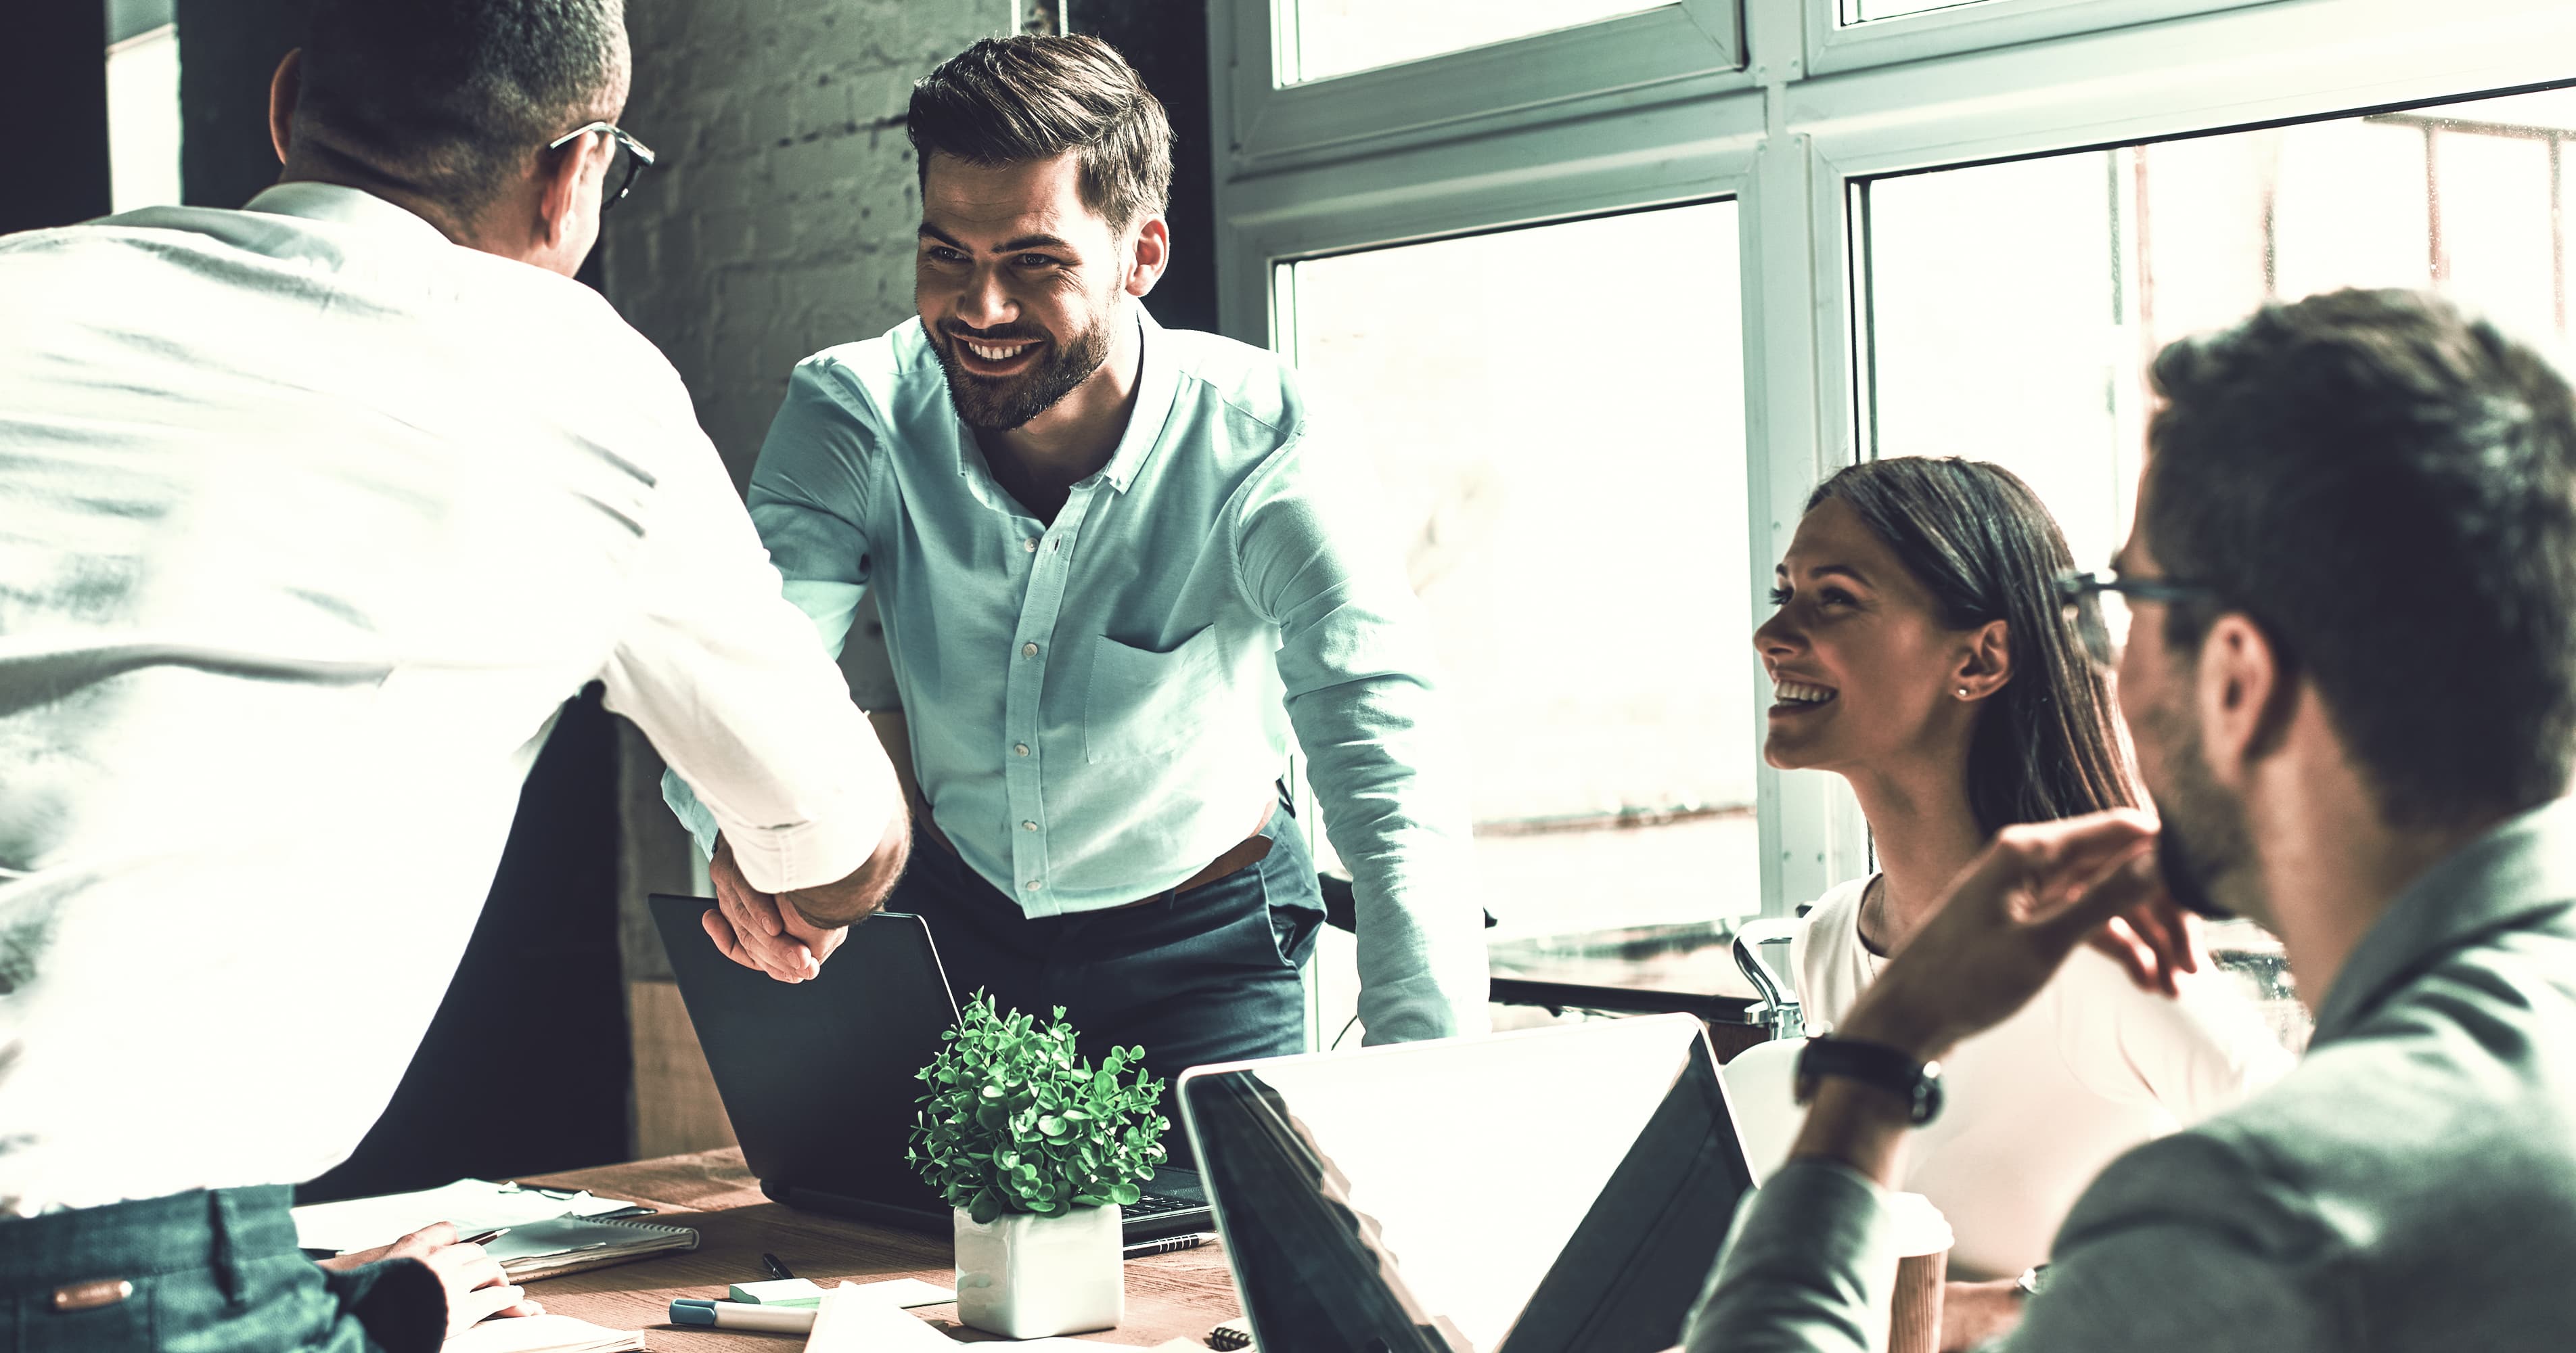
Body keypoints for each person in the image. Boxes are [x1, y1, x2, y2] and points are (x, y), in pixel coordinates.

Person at [0, 1, 907, 1348]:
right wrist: (802, 843)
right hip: (103, 1284)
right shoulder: (566, 378)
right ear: (573, 173)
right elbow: (835, 853)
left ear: (286, 105)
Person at [1688, 287, 2576, 1351]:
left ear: (2237, 677)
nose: (2104, 656)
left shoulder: (2259, 1220)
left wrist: (1877, 1060)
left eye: (2129, 600)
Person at [662, 35, 1487, 1088]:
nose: (980, 309)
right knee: (904, 1244)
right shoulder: (855, 412)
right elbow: (741, 674)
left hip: (1206, 948)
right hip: (954, 919)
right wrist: (753, 844)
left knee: (1215, 1249)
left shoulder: (1269, 444)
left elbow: (1387, 752)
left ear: (1141, 257)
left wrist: (1431, 1081)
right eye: (947, 255)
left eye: (1034, 263)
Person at [1742, 457, 2290, 1342]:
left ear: (1982, 657)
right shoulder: (1834, 938)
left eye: (1833, 598)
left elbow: (2322, 1208)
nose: (1774, 634)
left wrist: (1997, 1313)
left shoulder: (2100, 951)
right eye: (1786, 592)